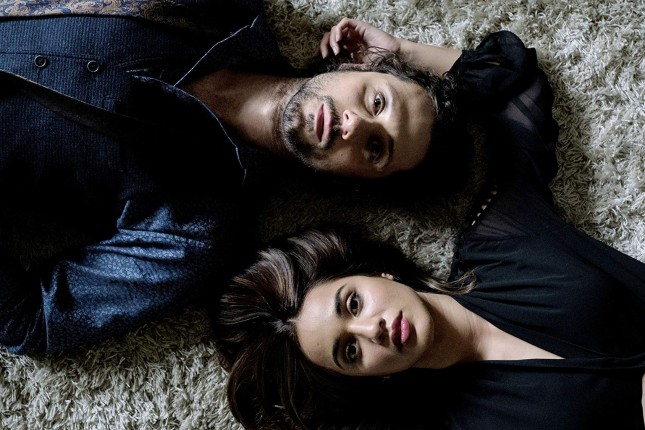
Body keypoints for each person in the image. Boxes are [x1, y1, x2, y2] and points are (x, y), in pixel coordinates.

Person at [211, 28, 645, 430]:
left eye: (354, 303)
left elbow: (515, 81)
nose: (372, 330)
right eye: (351, 351)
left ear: (376, 273)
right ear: (367, 378)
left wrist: (399, 55)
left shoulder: (500, 240)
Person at [0, 0, 475, 356]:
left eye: (375, 149)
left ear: (357, 182)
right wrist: (407, 50)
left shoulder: (197, 233)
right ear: (359, 64)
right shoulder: (223, 7)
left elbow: (35, 323)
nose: (356, 125)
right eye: (377, 102)